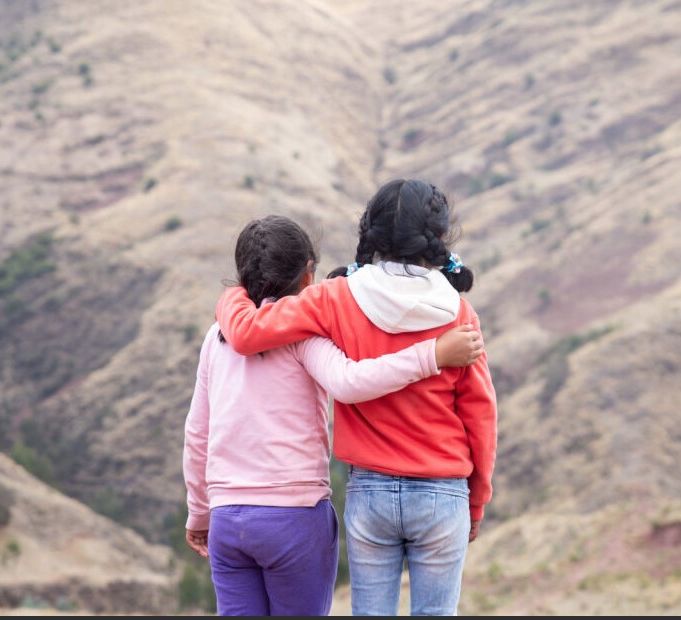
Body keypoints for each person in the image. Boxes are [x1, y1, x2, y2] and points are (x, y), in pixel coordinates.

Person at [213, 179, 498, 616]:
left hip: (371, 493)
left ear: (370, 233)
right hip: (444, 493)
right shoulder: (459, 313)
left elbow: (248, 334)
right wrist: (475, 500)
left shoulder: (335, 297)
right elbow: (480, 415)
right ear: (439, 238)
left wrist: (233, 294)